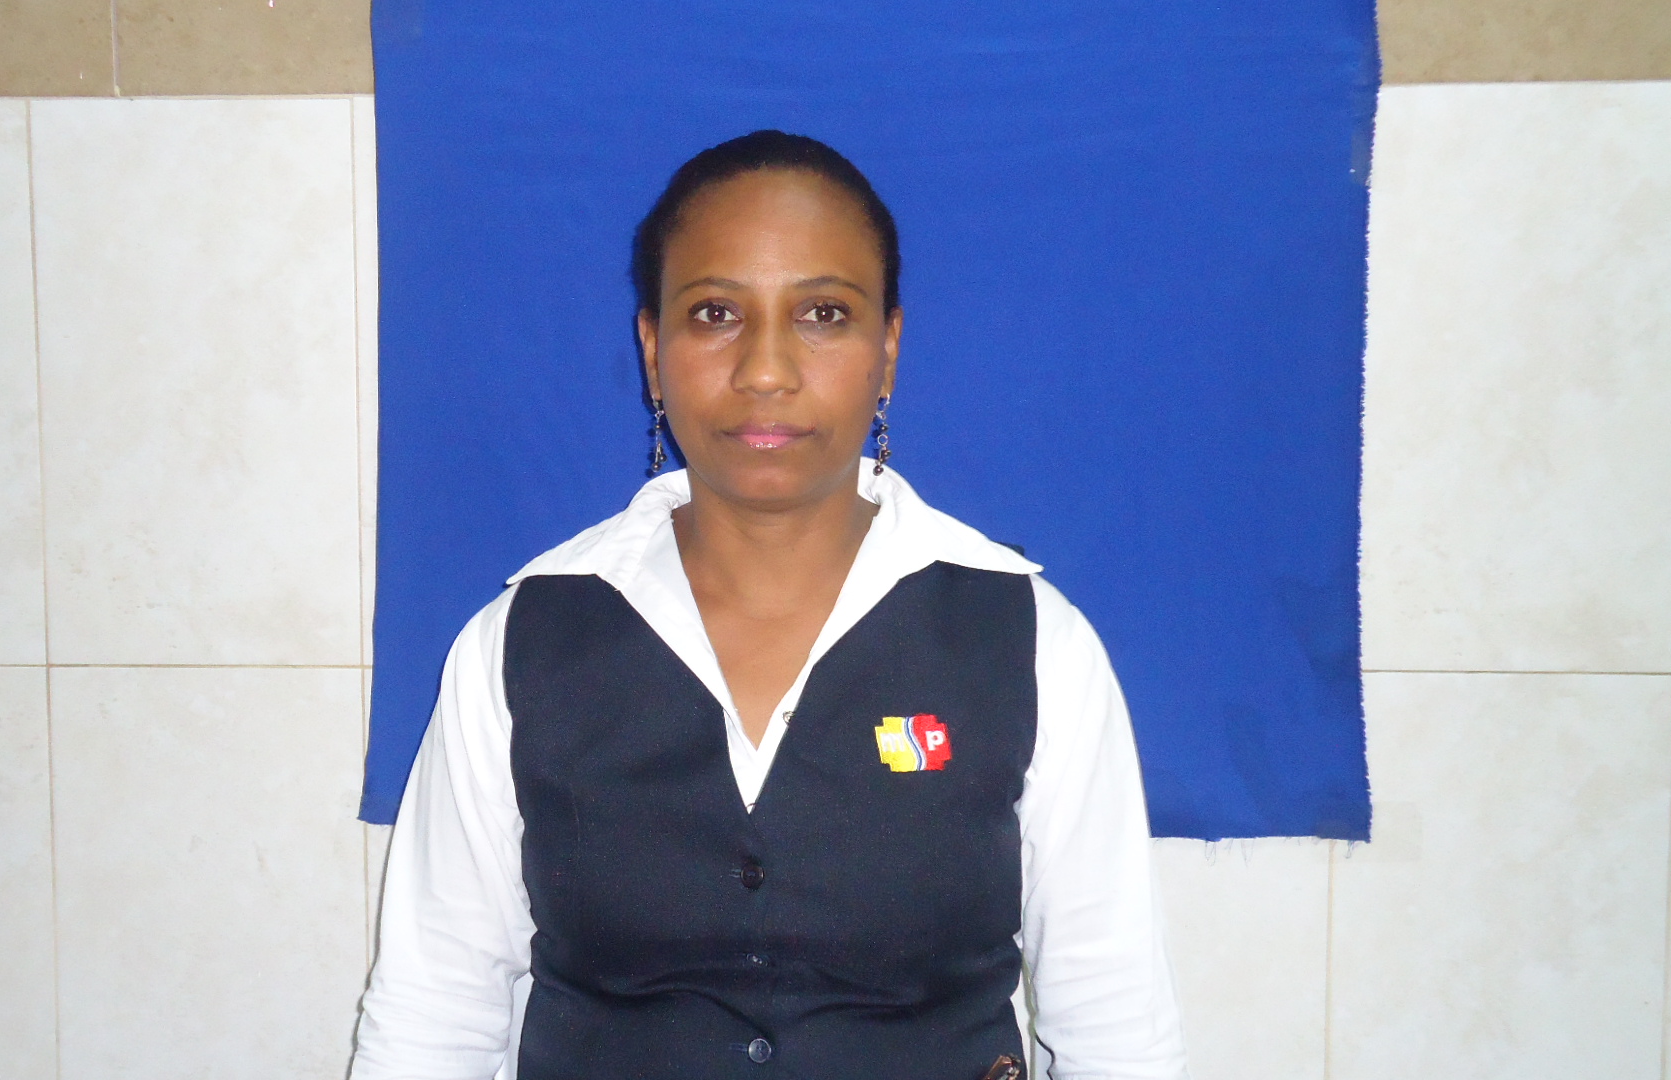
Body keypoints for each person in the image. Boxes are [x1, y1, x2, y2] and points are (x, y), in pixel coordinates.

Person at [350, 130, 1187, 1080]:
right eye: (715, 313)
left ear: (888, 350)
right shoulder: (523, 643)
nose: (766, 369)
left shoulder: (1029, 642)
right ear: (653, 351)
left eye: (824, 313)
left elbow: (1115, 1025)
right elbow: (433, 1015)